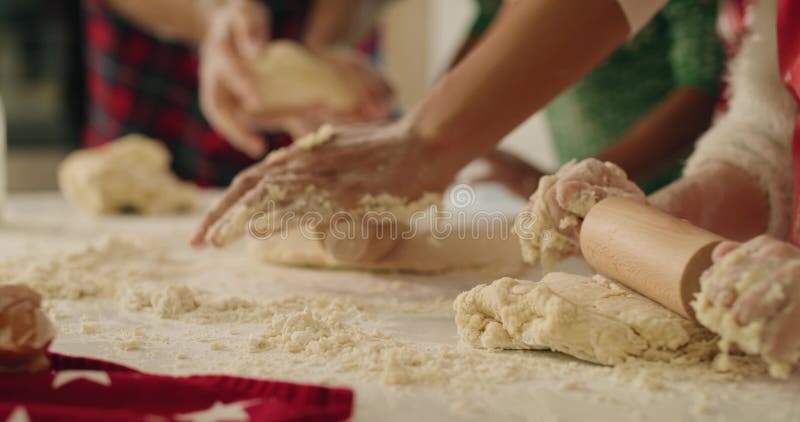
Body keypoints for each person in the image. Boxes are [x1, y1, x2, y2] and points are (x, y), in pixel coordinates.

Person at [82, 0, 391, 186]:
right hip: (156, 61)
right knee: (139, 214)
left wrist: (320, 46)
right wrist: (211, 16)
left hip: (328, 39)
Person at [458, 0, 725, 196]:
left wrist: (583, 181)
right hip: (579, 183)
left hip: (677, 187)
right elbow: (468, 70)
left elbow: (701, 93)